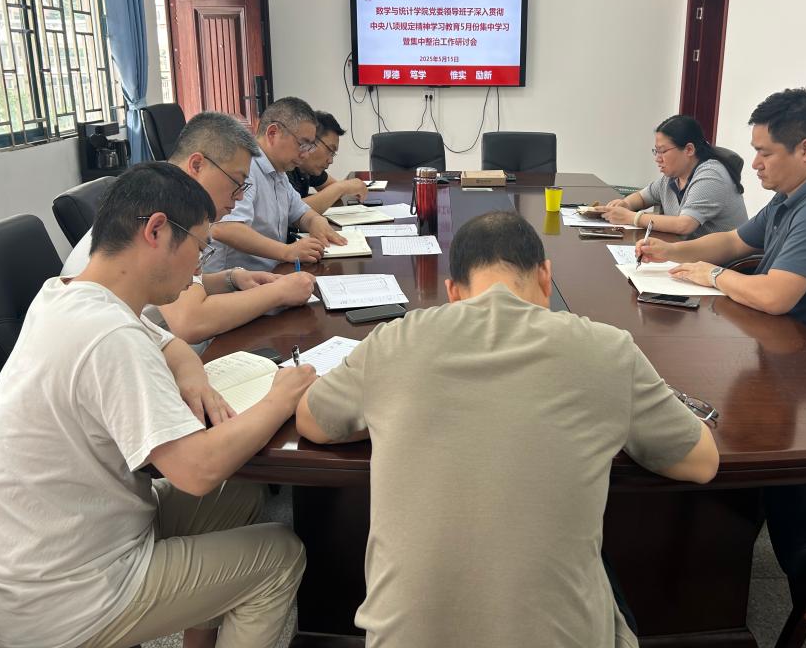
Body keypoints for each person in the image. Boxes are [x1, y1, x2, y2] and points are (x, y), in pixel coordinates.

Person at [294, 210, 719, 648]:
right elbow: (702, 462)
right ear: (546, 276)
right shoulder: (607, 350)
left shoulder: (393, 341)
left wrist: (388, 408)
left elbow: (312, 420)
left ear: (453, 293)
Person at [0, 163, 313, 648]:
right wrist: (281, 397)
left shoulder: (68, 293)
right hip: (64, 598)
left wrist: (193, 377)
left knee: (239, 497)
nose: (199, 268)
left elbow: (170, 344)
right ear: (157, 231)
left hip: (62, 543)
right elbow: (195, 471)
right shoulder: (109, 334)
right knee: (279, 556)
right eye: (200, 247)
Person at [637, 88, 806, 342]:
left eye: (765, 153)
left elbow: (774, 296)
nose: (755, 164)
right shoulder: (790, 193)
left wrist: (713, 275)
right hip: (773, 333)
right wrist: (670, 251)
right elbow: (733, 241)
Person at [61, 111, 317, 346]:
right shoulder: (162, 210)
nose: (240, 196)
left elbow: (178, 285)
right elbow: (191, 321)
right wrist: (279, 292)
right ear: (196, 165)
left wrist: (231, 278)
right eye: (237, 182)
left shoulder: (170, 199)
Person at [208, 96, 347, 272]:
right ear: (273, 133)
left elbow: (300, 213)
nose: (305, 154)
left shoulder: (279, 172)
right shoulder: (246, 167)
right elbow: (225, 228)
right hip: (235, 280)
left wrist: (316, 221)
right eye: (303, 144)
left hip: (270, 273)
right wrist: (287, 251)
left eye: (310, 147)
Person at [602, 115, 747, 237]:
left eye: (663, 151)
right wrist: (625, 204)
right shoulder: (672, 177)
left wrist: (631, 217)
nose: (657, 158)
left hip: (721, 261)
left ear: (689, 149)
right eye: (656, 151)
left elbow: (684, 225)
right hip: (688, 254)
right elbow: (642, 197)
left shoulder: (711, 175)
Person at [288, 110, 370, 214]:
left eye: (333, 154)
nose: (330, 161)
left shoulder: (308, 168)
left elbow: (333, 190)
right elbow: (291, 212)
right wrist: (341, 187)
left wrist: (344, 188)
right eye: (330, 150)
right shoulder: (284, 167)